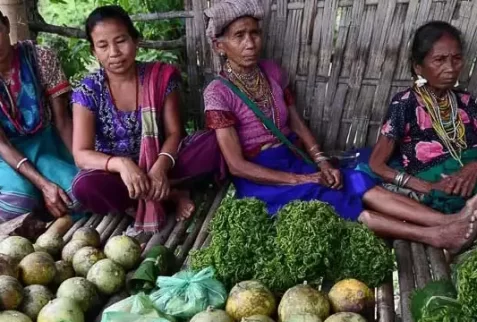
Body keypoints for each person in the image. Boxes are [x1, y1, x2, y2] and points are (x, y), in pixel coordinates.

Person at [203, 0, 477, 254]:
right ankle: (436, 236)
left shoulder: (272, 72)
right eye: (239, 36)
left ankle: (449, 220)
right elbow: (237, 165)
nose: (250, 43)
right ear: (219, 46)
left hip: (294, 160)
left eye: (254, 33)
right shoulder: (218, 92)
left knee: (356, 181)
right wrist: (304, 179)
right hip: (258, 177)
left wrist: (321, 162)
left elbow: (297, 124)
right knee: (332, 200)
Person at [71, 5, 224, 233]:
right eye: (103, 45)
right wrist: (122, 164)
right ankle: (170, 195)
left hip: (163, 163)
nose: (114, 52)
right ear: (94, 51)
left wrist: (159, 168)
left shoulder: (160, 77)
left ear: (136, 41)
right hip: (120, 177)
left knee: (213, 142)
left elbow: (175, 133)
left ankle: (151, 194)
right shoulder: (88, 92)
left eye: (121, 41)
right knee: (85, 186)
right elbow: (81, 154)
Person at [369, 21, 477, 215]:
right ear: (418, 67)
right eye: (440, 60)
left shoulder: (467, 102)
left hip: (470, 172)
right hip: (438, 179)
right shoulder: (405, 104)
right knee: (451, 199)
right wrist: (427, 186)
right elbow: (376, 164)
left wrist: (473, 167)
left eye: (457, 59)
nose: (451, 68)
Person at [0, 11, 80, 226]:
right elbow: (2, 144)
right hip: (4, 155)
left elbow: (62, 121)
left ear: (6, 25)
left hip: (45, 145)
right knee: (20, 201)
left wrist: (83, 163)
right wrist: (43, 184)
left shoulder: (40, 59)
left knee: (78, 191)